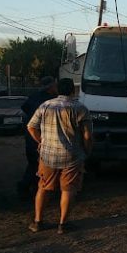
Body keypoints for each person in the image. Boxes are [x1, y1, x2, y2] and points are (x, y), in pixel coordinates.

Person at [27, 78, 92, 234]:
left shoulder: (45, 106)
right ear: (73, 90)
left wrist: (41, 142)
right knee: (68, 189)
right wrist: (87, 151)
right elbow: (87, 136)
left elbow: (31, 127)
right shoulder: (80, 108)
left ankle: (37, 222)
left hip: (48, 155)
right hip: (72, 156)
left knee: (43, 187)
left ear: (57, 90)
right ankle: (63, 224)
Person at [18, 76, 58, 199]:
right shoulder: (50, 100)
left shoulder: (33, 97)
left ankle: (28, 187)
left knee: (33, 163)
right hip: (42, 137)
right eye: (55, 85)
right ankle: (30, 188)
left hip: (30, 136)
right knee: (40, 164)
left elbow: (24, 108)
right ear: (50, 87)